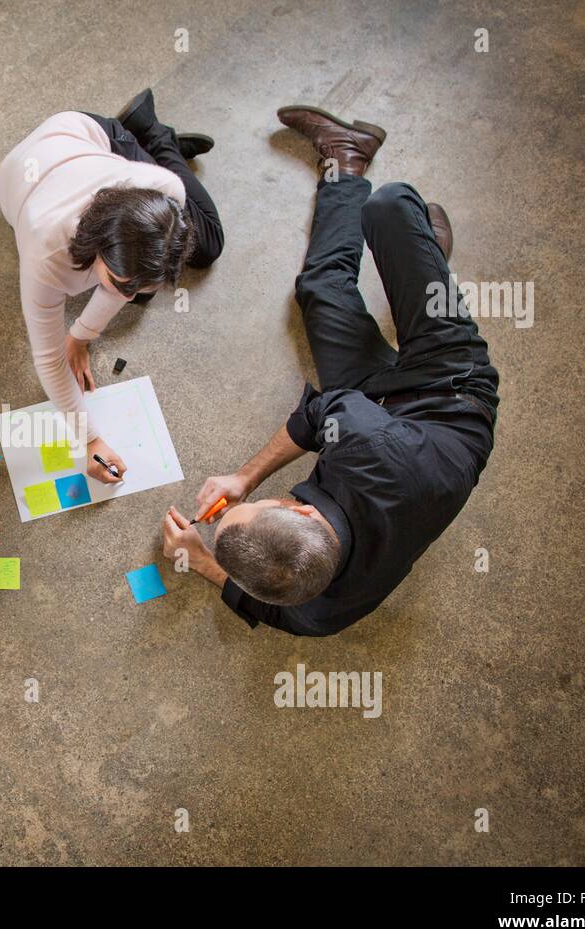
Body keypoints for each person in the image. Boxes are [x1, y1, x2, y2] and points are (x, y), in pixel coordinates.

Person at [162, 106, 499, 636]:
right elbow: (322, 413)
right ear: (301, 515)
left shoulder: (319, 613)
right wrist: (247, 479)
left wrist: (200, 555)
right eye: (273, 500)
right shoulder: (362, 443)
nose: (273, 496)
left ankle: (347, 156)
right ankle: (424, 256)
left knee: (319, 290)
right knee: (390, 207)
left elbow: (273, 607)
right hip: (450, 390)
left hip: (390, 430)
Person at [0, 89, 224, 483]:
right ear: (96, 248)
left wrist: (83, 334)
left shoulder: (163, 189)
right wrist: (89, 440)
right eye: (121, 283)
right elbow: (48, 358)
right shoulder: (45, 252)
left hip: (102, 155)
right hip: (64, 142)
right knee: (203, 245)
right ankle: (152, 134)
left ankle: (150, 139)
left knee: (207, 245)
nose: (130, 296)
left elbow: (128, 284)